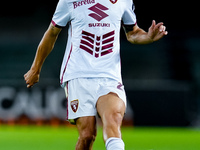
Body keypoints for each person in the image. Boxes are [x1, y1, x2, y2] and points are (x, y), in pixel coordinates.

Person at [24, 0, 167, 149]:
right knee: (87, 135)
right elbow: (52, 32)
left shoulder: (124, 1)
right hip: (78, 74)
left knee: (113, 120)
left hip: (109, 75)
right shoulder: (69, 1)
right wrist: (35, 68)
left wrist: (148, 37)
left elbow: (132, 33)